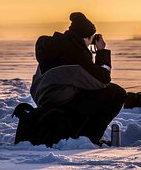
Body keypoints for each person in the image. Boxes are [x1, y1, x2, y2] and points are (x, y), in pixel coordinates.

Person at [29, 12, 126, 146]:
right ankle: (89, 139)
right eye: (92, 37)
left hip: (44, 97)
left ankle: (78, 132)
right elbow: (102, 80)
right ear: (86, 37)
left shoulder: (56, 45)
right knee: (116, 93)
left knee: (87, 93)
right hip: (61, 100)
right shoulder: (76, 53)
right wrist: (102, 51)